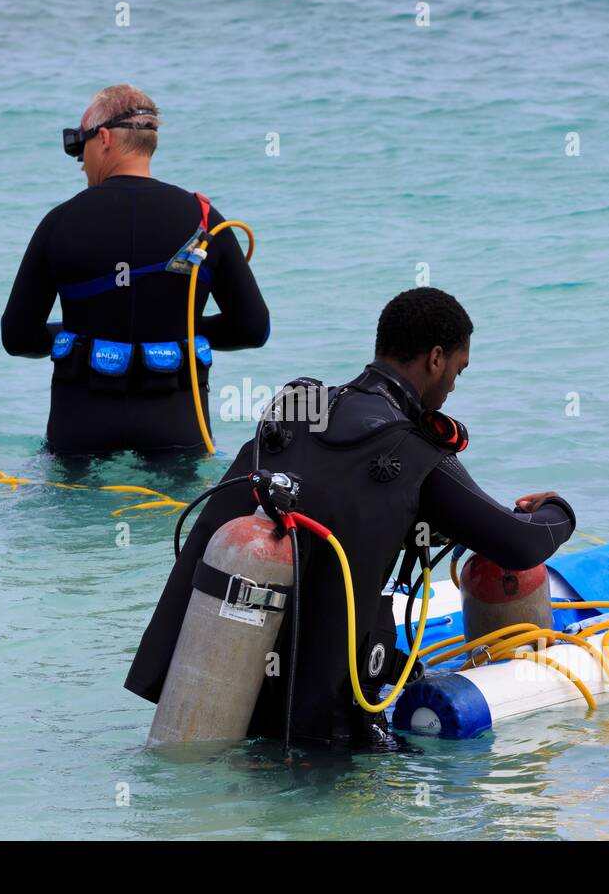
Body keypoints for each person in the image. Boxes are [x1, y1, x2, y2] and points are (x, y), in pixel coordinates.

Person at [125, 287, 577, 748]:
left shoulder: (295, 410)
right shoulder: (416, 453)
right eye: (458, 370)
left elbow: (214, 524)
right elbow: (520, 546)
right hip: (322, 728)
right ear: (436, 358)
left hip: (233, 690)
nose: (454, 386)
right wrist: (557, 510)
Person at [0, 84, 270, 454]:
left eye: (82, 149)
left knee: (75, 507)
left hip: (79, 429)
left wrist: (85, 335)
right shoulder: (204, 219)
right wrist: (169, 330)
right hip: (177, 427)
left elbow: (17, 337)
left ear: (105, 139)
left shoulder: (59, 222)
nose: (82, 163)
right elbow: (253, 328)